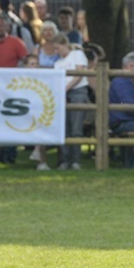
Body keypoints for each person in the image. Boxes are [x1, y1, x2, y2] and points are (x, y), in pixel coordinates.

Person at [53, 34, 90, 171]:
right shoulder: (57, 63)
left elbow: (79, 73)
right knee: (64, 128)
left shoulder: (77, 55)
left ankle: (75, 160)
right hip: (63, 93)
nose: (56, 52)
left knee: (76, 128)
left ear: (64, 44)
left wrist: (66, 88)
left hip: (78, 91)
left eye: (57, 48)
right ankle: (65, 160)